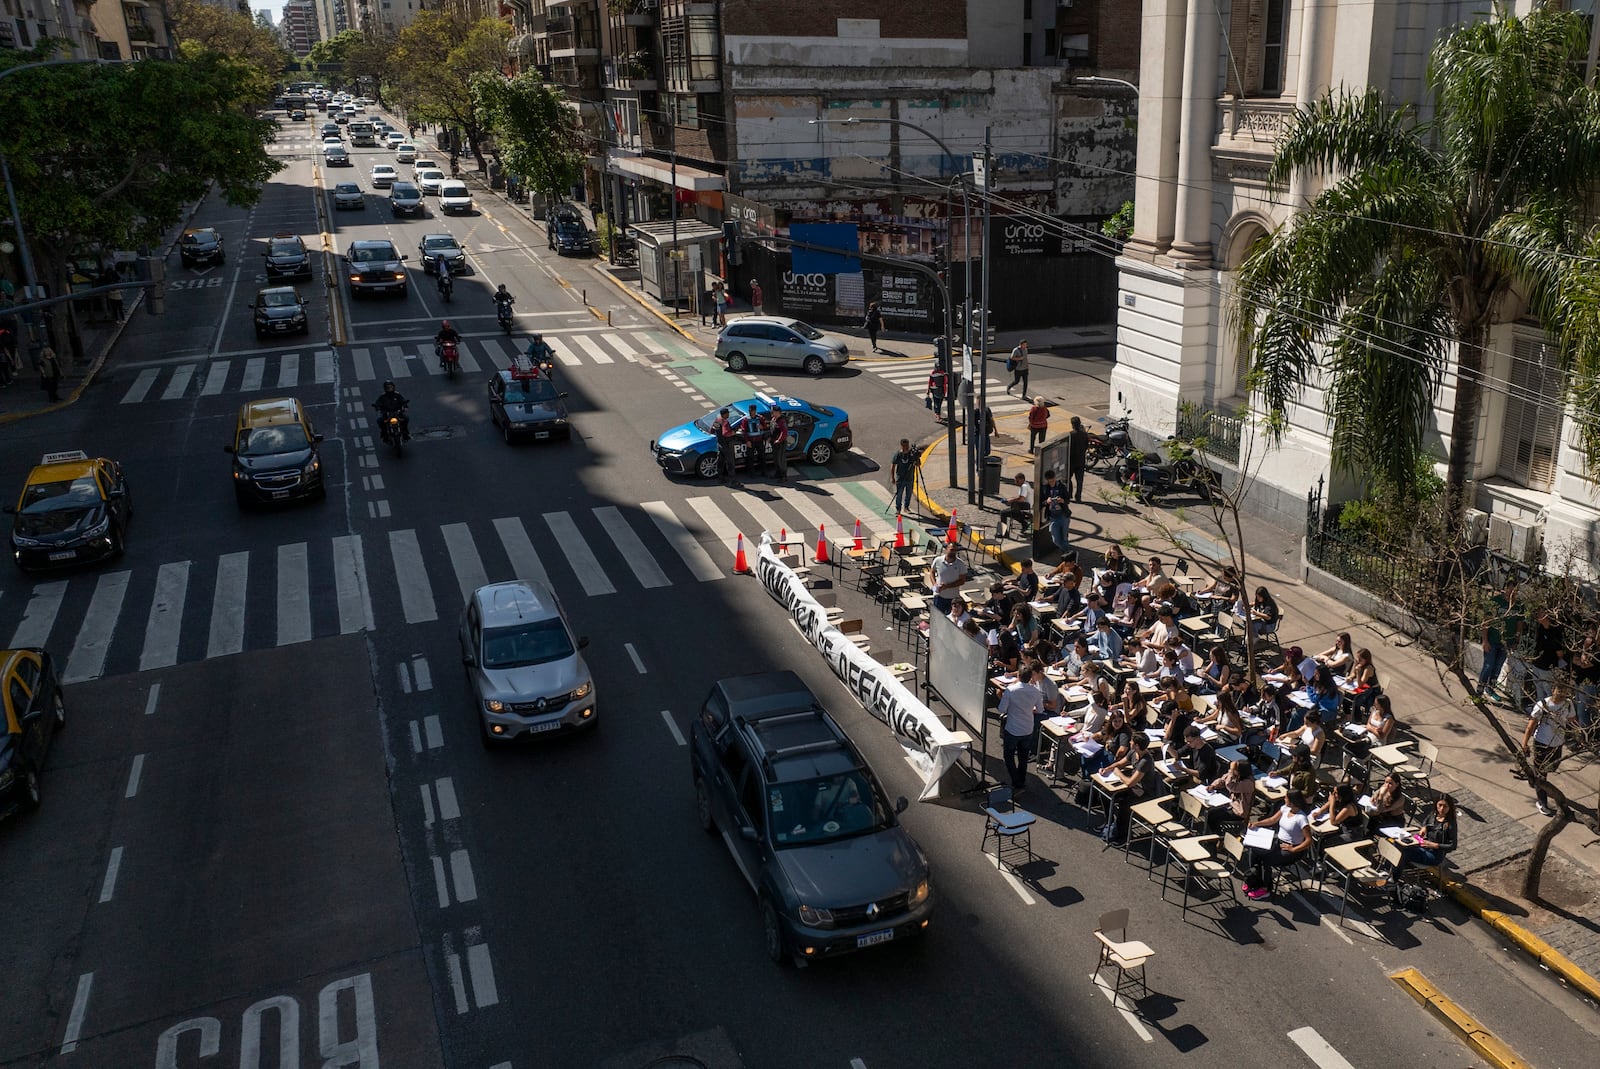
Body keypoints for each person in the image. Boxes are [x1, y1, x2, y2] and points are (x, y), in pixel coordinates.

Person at [1244, 790, 1313, 899]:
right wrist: (1257, 824)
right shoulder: (1285, 808)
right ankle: (1253, 880)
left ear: (1292, 802)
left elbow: (1309, 840)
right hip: (1278, 842)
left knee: (1267, 859)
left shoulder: (1301, 818)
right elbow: (1272, 820)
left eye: (1286, 798)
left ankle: (1265, 888)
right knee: (1254, 851)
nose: (1284, 799)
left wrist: (1293, 849)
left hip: (1292, 849)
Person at [1523, 683, 1577, 816]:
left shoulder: (1568, 704)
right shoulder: (1543, 705)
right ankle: (1542, 803)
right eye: (1559, 690)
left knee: (1551, 768)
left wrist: (1580, 737)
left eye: (1564, 691)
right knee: (1542, 775)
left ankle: (1533, 779)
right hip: (1542, 742)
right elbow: (1531, 726)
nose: (1561, 693)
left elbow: (1572, 720)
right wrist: (1524, 744)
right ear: (1553, 690)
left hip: (1557, 743)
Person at [1393, 795, 1458, 891]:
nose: (1442, 809)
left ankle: (1394, 879)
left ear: (1450, 808)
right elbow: (1426, 822)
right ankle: (1393, 871)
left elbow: (1453, 845)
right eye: (1439, 805)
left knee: (1404, 854)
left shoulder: (1450, 824)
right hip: (1423, 846)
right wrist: (1424, 828)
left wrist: (1434, 845)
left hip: (1434, 854)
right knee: (1398, 845)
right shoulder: (1433, 815)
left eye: (1445, 806)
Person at [998, 665, 1042, 796]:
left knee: (1008, 756)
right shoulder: (1035, 692)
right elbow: (1039, 710)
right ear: (1030, 677)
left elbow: (1002, 709)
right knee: (1023, 758)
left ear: (1018, 676)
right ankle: (1020, 782)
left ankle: (1017, 782)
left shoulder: (1011, 690)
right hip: (1027, 729)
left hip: (1012, 729)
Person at [1479, 579, 1518, 700]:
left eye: (1515, 591)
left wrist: (1516, 640)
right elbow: (1486, 622)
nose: (1512, 593)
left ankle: (1490, 689)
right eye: (1510, 590)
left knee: (1498, 667)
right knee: (1488, 666)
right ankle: (1479, 691)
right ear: (1506, 589)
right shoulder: (1495, 602)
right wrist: (1485, 640)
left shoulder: (1518, 606)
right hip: (1492, 640)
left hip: (1506, 643)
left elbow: (1519, 625)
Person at [1205, 759, 1256, 833]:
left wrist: (1231, 770)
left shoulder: (1248, 783)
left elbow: (1230, 786)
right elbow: (1223, 780)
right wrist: (1213, 786)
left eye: (1234, 769)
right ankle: (1212, 832)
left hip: (1239, 812)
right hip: (1231, 805)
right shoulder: (1235, 775)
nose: (1230, 771)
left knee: (1214, 817)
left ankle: (1216, 834)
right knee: (1210, 813)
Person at [928, 541, 970, 616]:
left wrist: (946, 586)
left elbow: (962, 581)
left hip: (953, 598)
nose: (953, 552)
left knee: (950, 619)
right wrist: (934, 584)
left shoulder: (960, 564)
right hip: (939, 596)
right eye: (951, 550)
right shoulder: (938, 560)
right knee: (937, 617)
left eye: (955, 550)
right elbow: (932, 572)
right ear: (946, 549)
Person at [1038, 469, 1071, 556]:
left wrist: (1062, 500)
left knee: (1064, 537)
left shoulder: (1061, 487)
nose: (1052, 483)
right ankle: (1067, 551)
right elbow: (1041, 502)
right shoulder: (1045, 488)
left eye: (1053, 481)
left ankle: (1066, 553)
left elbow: (1068, 500)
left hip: (1063, 515)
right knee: (1055, 539)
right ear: (1047, 480)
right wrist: (1046, 501)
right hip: (1053, 517)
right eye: (1050, 481)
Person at [712, 407, 739, 486]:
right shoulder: (724, 422)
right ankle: (733, 481)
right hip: (726, 445)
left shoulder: (717, 420)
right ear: (725, 414)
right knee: (730, 463)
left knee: (720, 461)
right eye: (728, 413)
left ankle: (720, 478)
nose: (729, 415)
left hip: (719, 443)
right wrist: (733, 433)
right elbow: (725, 433)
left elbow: (712, 429)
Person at [890, 439, 917, 515]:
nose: (906, 447)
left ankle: (906, 507)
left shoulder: (911, 455)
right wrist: (893, 478)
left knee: (908, 494)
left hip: (910, 478)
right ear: (901, 446)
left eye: (907, 445)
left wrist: (916, 459)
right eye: (904, 446)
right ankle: (898, 509)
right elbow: (893, 466)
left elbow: (918, 464)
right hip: (900, 478)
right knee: (899, 494)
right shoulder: (898, 455)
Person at [1067, 415, 1089, 502]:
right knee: (1079, 480)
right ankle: (1078, 496)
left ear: (1072, 425)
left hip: (1072, 460)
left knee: (1068, 478)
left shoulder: (1070, 435)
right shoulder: (1084, 434)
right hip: (1081, 460)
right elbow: (1086, 446)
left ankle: (1069, 494)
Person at [768, 408, 789, 480]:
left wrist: (779, 440)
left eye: (773, 412)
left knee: (781, 460)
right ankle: (778, 473)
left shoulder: (781, 421)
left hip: (780, 443)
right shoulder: (773, 419)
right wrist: (770, 437)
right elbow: (772, 430)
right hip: (774, 442)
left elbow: (784, 432)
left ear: (777, 412)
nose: (772, 413)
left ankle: (783, 476)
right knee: (776, 459)